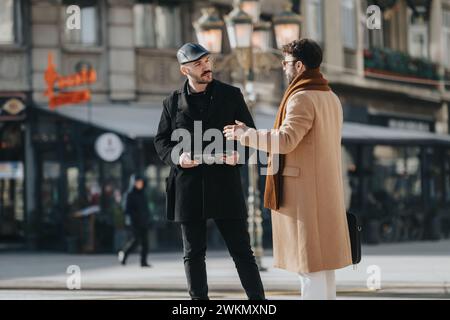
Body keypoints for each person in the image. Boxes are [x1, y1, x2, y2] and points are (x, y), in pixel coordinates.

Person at [224, 39, 352, 300]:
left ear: (300, 65)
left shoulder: (302, 98)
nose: (283, 68)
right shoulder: (330, 97)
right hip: (324, 191)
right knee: (324, 266)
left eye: (286, 63)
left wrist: (245, 134)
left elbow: (284, 140)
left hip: (305, 195)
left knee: (309, 267)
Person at [154, 43, 265, 300]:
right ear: (185, 70)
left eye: (206, 60)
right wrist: (178, 157)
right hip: (188, 187)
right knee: (193, 253)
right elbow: (161, 141)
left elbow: (251, 135)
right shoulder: (171, 102)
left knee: (242, 251)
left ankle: (259, 303)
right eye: (198, 63)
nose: (206, 66)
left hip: (225, 184)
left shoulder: (232, 95)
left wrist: (240, 154)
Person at [118, 174, 151, 268]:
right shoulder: (129, 194)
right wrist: (135, 217)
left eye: (141, 182)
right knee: (135, 241)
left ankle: (143, 262)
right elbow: (125, 209)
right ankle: (124, 254)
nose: (140, 184)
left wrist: (148, 218)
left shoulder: (142, 194)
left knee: (145, 242)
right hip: (134, 222)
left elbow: (146, 209)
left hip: (144, 222)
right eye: (138, 182)